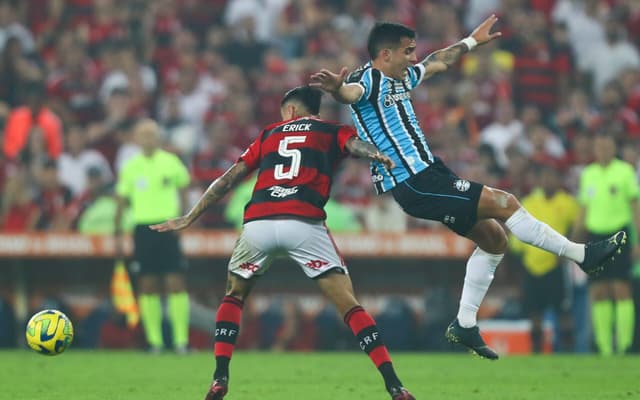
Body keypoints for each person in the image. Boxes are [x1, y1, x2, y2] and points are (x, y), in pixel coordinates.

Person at [310, 15, 627, 360]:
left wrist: (472, 42)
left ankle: (464, 324)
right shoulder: (368, 80)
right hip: (412, 181)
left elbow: (438, 62)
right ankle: (582, 256)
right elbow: (349, 93)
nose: (414, 57)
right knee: (505, 203)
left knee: (494, 239)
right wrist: (336, 89)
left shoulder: (400, 79)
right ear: (385, 54)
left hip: (430, 173)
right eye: (408, 52)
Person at [150, 86, 415, 400]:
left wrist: (190, 216)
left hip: (259, 223)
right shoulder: (332, 130)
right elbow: (356, 146)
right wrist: (377, 155)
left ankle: (220, 378)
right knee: (348, 303)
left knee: (234, 295)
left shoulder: (268, 134)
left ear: (290, 111)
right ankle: (394, 385)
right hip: (303, 223)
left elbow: (229, 178)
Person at [114, 119, 191, 354]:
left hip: (168, 227)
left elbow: (185, 191)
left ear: (158, 138)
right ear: (136, 139)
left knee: (174, 282)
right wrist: (117, 233)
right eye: (143, 135)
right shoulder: (131, 167)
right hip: (143, 230)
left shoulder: (172, 162)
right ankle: (155, 342)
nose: (148, 139)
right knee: (147, 285)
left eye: (151, 134)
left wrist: (184, 221)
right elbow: (122, 201)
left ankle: (180, 342)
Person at [573, 133, 639, 355]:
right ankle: (604, 347)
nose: (603, 150)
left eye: (607, 146)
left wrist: (638, 241)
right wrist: (575, 240)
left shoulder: (625, 172)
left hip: (619, 235)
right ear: (594, 149)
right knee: (598, 290)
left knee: (621, 288)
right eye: (599, 146)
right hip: (595, 236)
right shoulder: (588, 174)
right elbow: (583, 210)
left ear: (613, 148)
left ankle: (623, 345)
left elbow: (635, 208)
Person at [509, 162, 579, 352]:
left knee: (563, 312)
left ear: (559, 180)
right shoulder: (530, 203)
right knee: (534, 313)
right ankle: (537, 351)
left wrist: (568, 250)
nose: (547, 181)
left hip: (556, 266)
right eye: (544, 177)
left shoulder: (568, 203)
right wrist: (519, 251)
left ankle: (568, 351)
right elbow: (517, 232)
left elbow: (578, 227)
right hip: (532, 265)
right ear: (539, 180)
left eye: (552, 177)